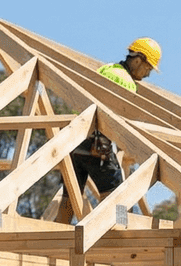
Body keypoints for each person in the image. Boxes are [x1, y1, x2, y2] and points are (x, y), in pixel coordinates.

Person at [54, 38, 161, 224]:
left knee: (69, 197)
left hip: (75, 140)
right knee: (117, 196)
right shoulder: (126, 82)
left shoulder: (107, 69)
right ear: (138, 60)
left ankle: (53, 243)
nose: (148, 74)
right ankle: (111, 238)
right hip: (97, 142)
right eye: (148, 68)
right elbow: (119, 122)